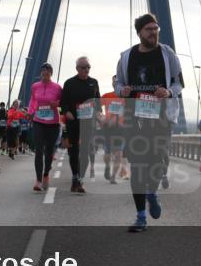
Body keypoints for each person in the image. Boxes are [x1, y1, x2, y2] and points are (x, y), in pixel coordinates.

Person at [114, 13, 184, 232]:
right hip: (136, 120)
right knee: (138, 167)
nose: (154, 33)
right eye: (149, 29)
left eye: (156, 28)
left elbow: (179, 82)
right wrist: (121, 90)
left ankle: (152, 193)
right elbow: (118, 83)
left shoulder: (167, 54)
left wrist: (169, 91)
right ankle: (140, 216)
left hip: (162, 118)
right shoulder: (126, 57)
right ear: (139, 32)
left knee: (159, 162)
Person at [61, 56, 102, 194]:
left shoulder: (94, 82)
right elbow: (63, 102)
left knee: (86, 152)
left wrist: (98, 114)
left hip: (88, 122)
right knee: (74, 152)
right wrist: (67, 112)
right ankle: (75, 178)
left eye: (88, 67)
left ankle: (79, 178)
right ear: (77, 68)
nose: (86, 70)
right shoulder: (69, 83)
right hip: (73, 122)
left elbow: (97, 102)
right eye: (83, 67)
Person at [28, 63, 62, 192]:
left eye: (48, 71)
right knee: (38, 150)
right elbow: (33, 100)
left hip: (52, 123)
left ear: (51, 73)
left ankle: (46, 173)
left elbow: (63, 103)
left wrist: (57, 104)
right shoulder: (35, 86)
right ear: (40, 73)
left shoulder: (58, 87)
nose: (45, 72)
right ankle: (38, 180)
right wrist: (31, 112)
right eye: (43, 70)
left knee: (49, 152)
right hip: (38, 121)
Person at [100, 75, 127, 183]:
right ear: (112, 84)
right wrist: (102, 118)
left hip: (121, 129)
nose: (116, 84)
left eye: (118, 83)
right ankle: (107, 166)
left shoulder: (126, 98)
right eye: (114, 83)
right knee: (107, 153)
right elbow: (96, 107)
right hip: (108, 128)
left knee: (119, 154)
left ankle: (113, 176)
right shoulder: (107, 95)